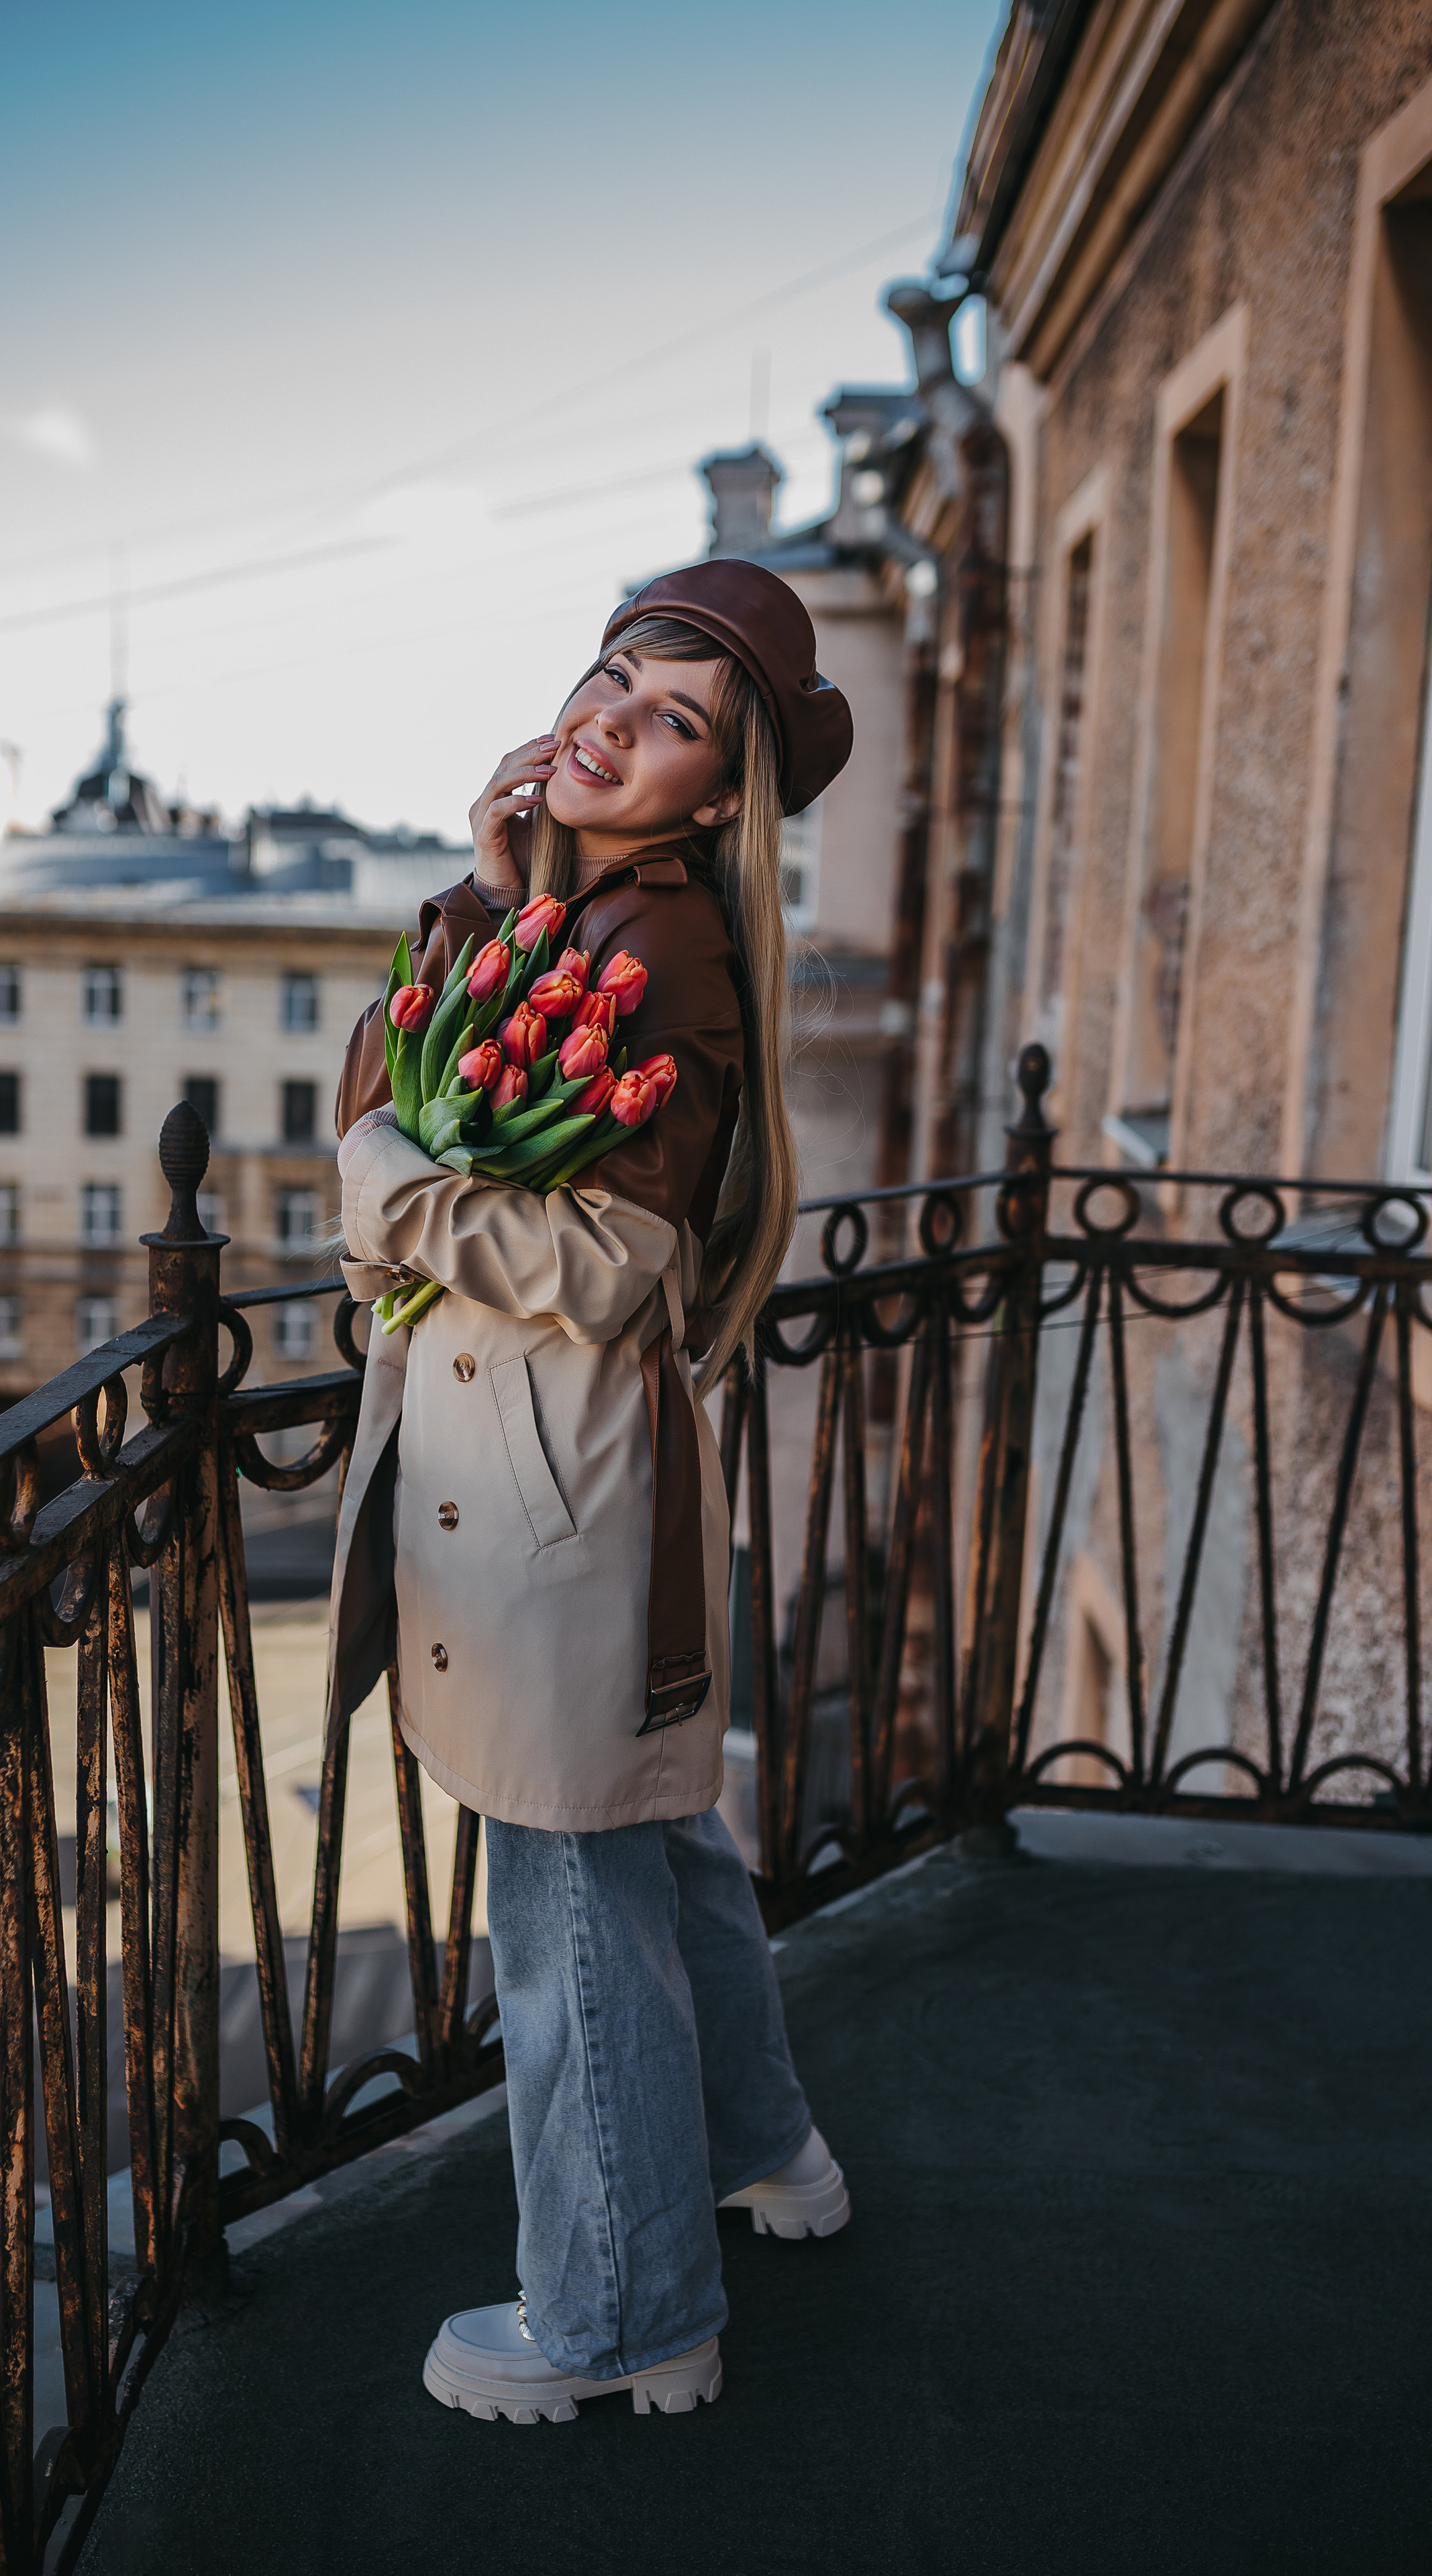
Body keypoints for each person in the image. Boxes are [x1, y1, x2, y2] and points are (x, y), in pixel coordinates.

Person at [329, 557, 854, 2424]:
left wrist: (387, 1189)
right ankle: (769, 2153)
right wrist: (489, 889)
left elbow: (608, 1259)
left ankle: (625, 2315)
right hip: (563, 1485)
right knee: (655, 1844)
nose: (617, 716)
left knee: (566, 1920)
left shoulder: (670, 944)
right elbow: (414, 1070)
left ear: (722, 797)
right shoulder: (582, 912)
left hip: (561, 1501)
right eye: (615, 675)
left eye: (677, 718)